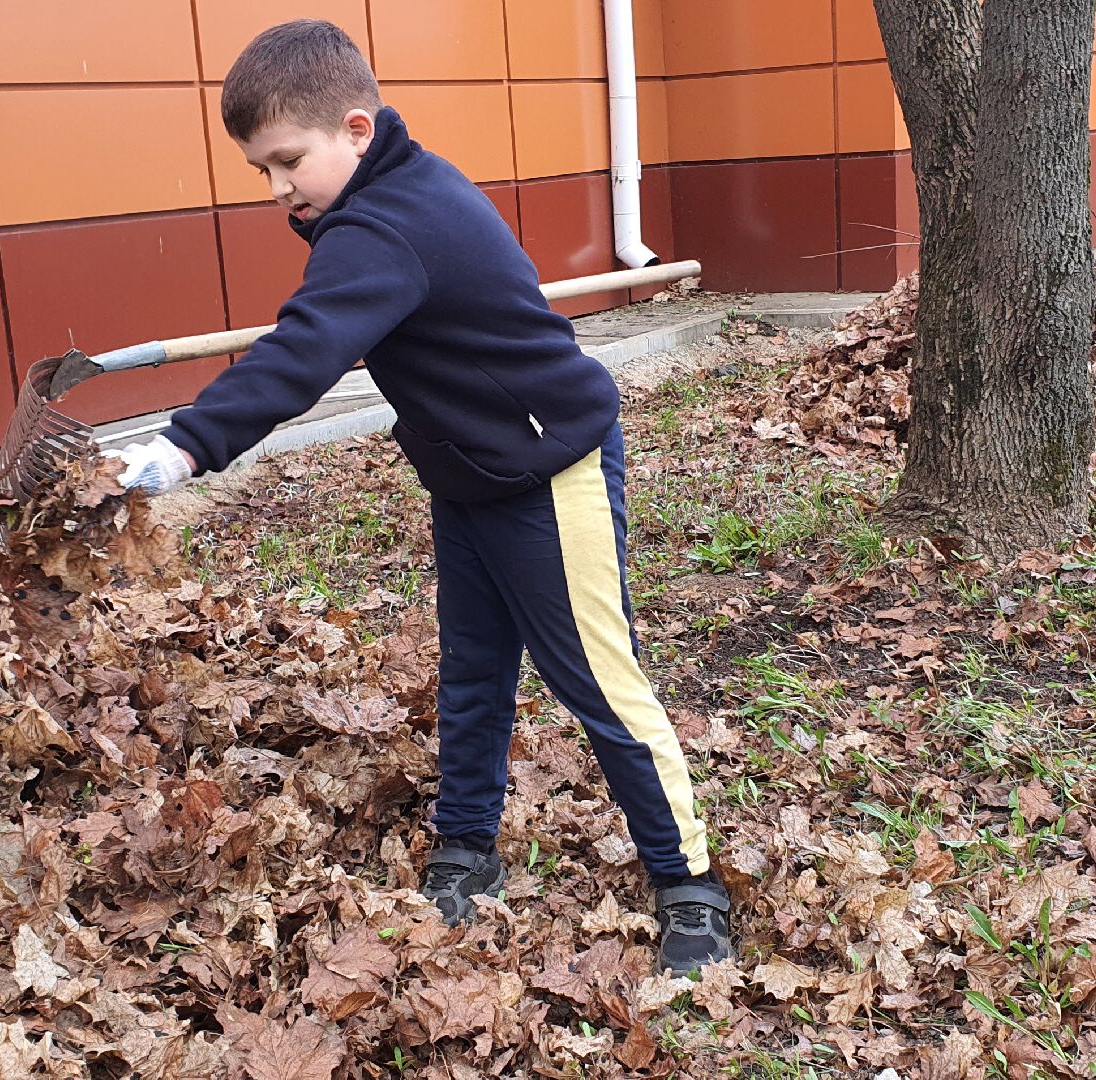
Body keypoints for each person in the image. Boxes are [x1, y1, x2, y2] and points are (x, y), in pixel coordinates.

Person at [100, 19, 733, 974]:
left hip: (548, 468)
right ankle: (468, 850)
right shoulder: (388, 197)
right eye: (260, 169)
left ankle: (687, 882)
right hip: (470, 475)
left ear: (357, 129)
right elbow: (325, 326)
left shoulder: (386, 228)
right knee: (474, 673)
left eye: (286, 162)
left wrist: (188, 445)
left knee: (598, 681)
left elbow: (303, 352)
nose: (276, 189)